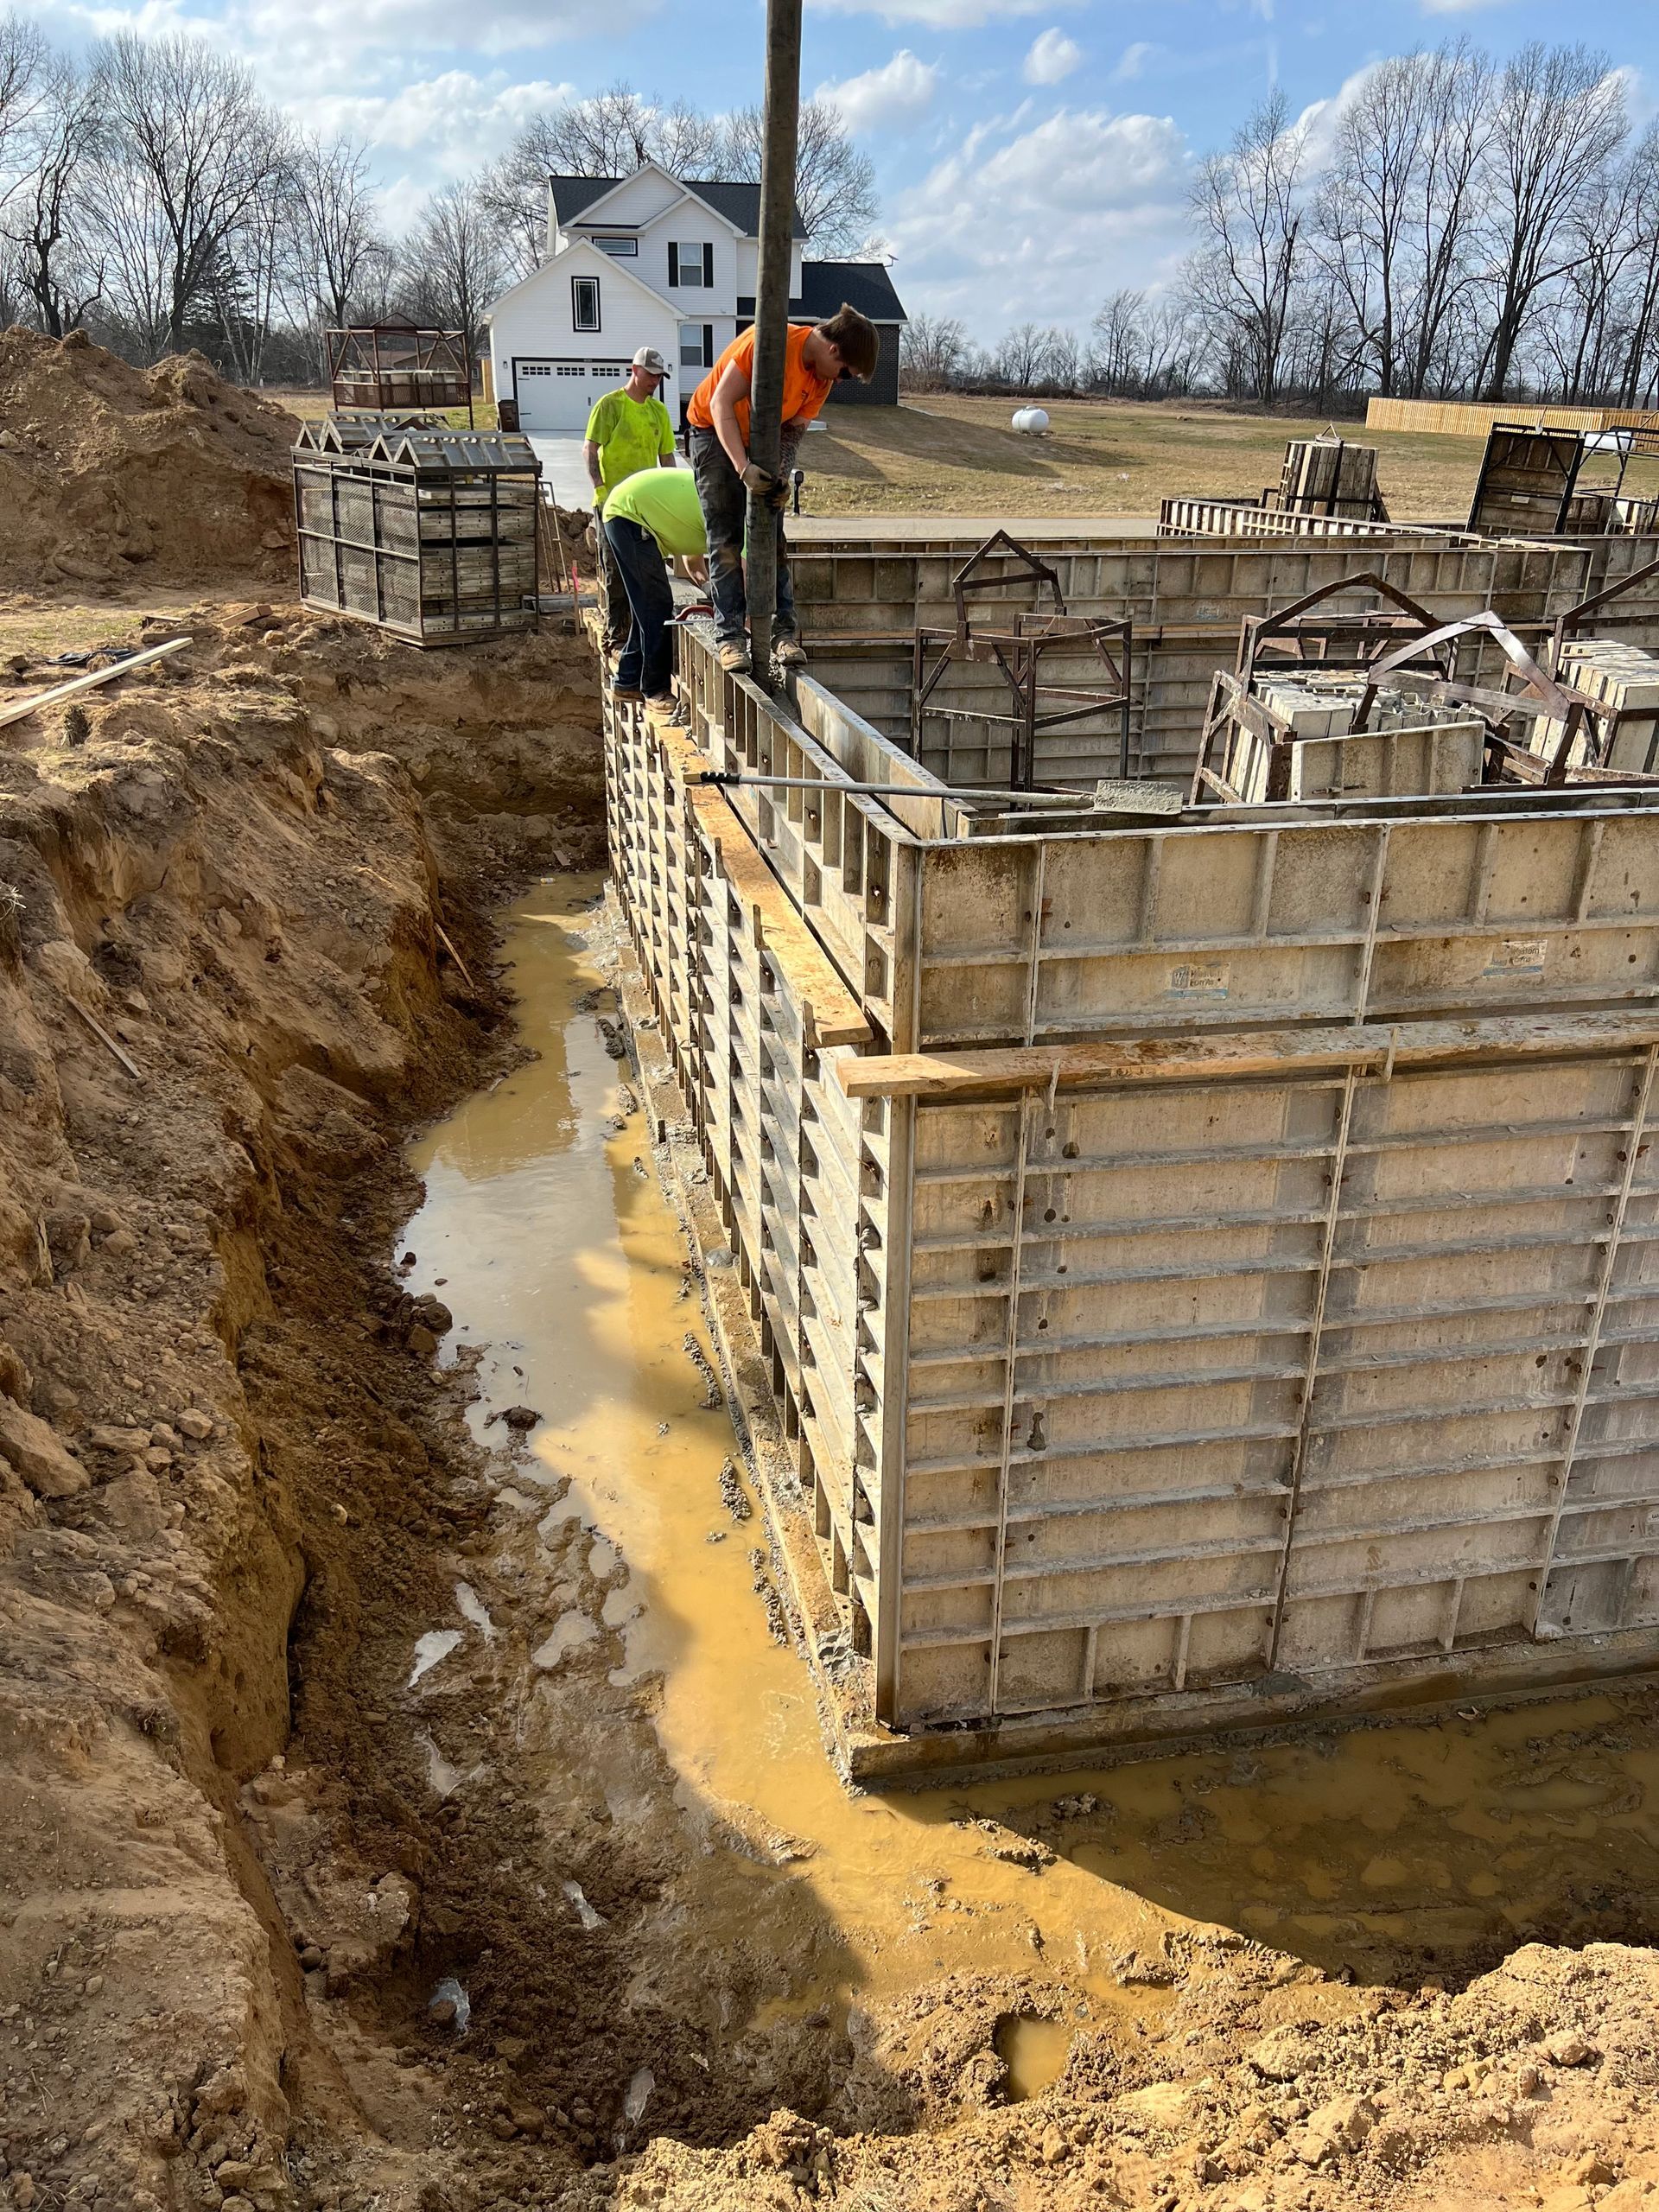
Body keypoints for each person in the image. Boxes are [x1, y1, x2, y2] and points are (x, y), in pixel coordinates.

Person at [686, 304, 879, 674]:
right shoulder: (769, 345)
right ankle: (730, 637)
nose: (840, 381)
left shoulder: (821, 380)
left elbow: (791, 434)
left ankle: (784, 633)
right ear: (834, 351)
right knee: (724, 537)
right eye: (845, 374)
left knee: (773, 534)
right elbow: (720, 402)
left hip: (758, 437)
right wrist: (743, 468)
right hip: (712, 430)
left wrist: (779, 480)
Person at [583, 346, 677, 651]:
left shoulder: (657, 412)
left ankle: (647, 632)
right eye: (650, 375)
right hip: (613, 502)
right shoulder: (610, 406)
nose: (655, 382)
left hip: (645, 503)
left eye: (659, 377)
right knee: (615, 566)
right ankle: (617, 633)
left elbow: (666, 456)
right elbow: (591, 449)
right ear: (634, 370)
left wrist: (671, 492)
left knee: (650, 565)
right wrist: (600, 489)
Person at [602, 467, 709, 706]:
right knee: (656, 604)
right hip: (630, 514)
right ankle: (654, 689)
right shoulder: (736, 519)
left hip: (628, 510)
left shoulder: (710, 503)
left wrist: (708, 586)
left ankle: (628, 682)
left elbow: (693, 561)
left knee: (646, 607)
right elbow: (741, 575)